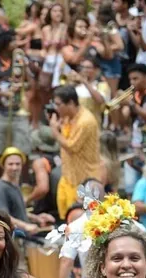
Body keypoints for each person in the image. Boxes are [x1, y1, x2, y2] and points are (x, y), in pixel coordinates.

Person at [0, 30, 33, 178]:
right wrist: (2, 93)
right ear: (4, 44)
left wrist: (25, 72)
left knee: (24, 150)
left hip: (18, 112)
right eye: (13, 41)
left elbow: (32, 84)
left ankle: (24, 186)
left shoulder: (20, 61)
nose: (17, 44)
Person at [49, 85, 102, 221]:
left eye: (58, 104)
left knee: (82, 224)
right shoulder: (67, 116)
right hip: (69, 175)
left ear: (71, 103)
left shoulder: (86, 121)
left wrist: (55, 132)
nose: (56, 108)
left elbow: (72, 146)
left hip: (84, 179)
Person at [0, 148, 54, 233]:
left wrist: (37, 218)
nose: (14, 167)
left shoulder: (15, 185)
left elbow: (18, 211)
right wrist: (25, 226)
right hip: (14, 237)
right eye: (10, 164)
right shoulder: (1, 188)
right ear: (3, 165)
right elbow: (3, 216)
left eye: (18, 164)